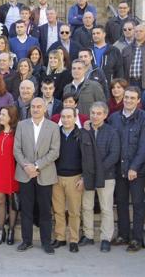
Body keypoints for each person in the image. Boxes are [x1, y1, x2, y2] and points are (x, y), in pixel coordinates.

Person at [108, 86, 145, 252]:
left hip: (137, 170)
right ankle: (123, 234)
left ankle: (136, 238)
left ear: (138, 100)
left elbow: (144, 146)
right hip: (119, 168)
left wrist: (134, 167)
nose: (128, 100)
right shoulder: (114, 118)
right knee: (120, 203)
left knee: (137, 204)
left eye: (132, 98)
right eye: (126, 97)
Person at [13, 98, 60, 254]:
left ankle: (46, 242)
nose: (36, 109)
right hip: (25, 173)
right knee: (26, 209)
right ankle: (27, 241)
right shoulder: (21, 125)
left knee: (45, 210)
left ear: (45, 108)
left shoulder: (53, 127)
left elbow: (54, 151)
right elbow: (16, 150)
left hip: (44, 173)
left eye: (39, 106)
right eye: (33, 106)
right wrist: (27, 166)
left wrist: (37, 165)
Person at [79, 101, 121, 252]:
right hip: (88, 175)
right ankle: (88, 235)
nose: (95, 116)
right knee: (87, 206)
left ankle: (105, 238)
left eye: (98, 113)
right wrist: (88, 172)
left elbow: (114, 155)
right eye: (93, 113)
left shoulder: (111, 132)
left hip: (107, 176)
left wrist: (98, 170)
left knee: (106, 208)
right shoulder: (85, 131)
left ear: (105, 115)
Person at [51, 107, 87, 253]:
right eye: (63, 117)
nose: (66, 120)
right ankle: (60, 237)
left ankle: (74, 239)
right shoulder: (55, 133)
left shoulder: (82, 134)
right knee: (58, 210)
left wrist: (84, 177)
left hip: (75, 178)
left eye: (69, 117)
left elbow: (87, 158)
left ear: (75, 117)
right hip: (56, 177)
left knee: (74, 211)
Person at [0, 106, 20, 245]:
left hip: (13, 172)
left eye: (3, 114)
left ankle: (11, 231)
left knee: (12, 202)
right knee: (0, 200)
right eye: (0, 114)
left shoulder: (17, 133)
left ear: (11, 117)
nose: (0, 116)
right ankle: (0, 230)